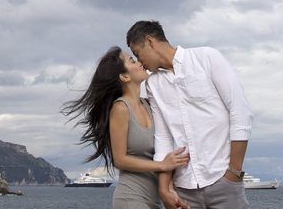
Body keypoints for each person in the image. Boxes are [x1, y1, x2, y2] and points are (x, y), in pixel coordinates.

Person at [126, 20, 253, 209]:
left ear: (150, 41)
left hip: (223, 181)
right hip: (183, 191)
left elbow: (240, 111)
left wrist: (233, 173)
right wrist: (164, 189)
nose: (140, 63)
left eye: (137, 54)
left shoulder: (207, 57)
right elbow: (163, 136)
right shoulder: (153, 84)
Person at [62, 46, 190, 209]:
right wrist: (162, 165)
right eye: (132, 61)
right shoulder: (121, 108)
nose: (140, 63)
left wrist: (169, 188)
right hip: (131, 197)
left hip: (154, 200)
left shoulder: (149, 104)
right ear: (124, 76)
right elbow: (120, 160)